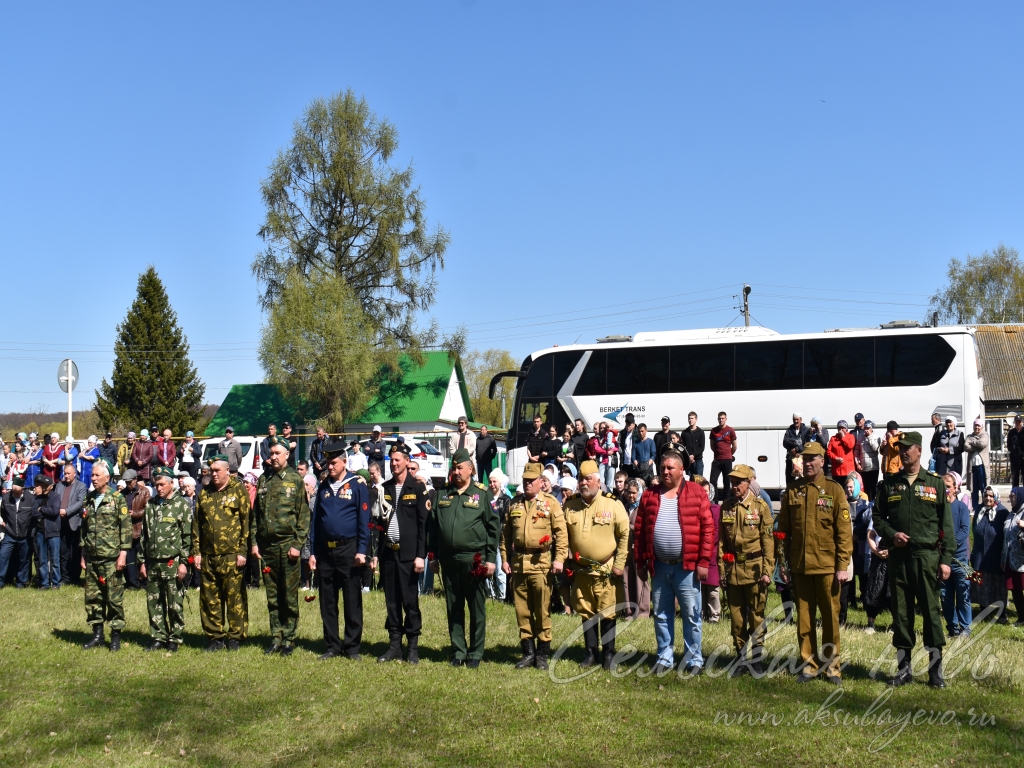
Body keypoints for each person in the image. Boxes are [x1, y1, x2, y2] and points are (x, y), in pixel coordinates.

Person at [872, 431, 954, 687]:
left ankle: (935, 670)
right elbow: (877, 518)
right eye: (900, 448)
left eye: (908, 448)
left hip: (926, 557)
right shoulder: (889, 485)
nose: (903, 452)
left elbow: (946, 526)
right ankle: (904, 668)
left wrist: (946, 560)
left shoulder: (935, 483)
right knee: (901, 614)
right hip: (899, 559)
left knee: (930, 612)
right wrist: (891, 534)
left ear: (919, 451)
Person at [776, 442, 852, 684]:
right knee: (804, 620)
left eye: (812, 459)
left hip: (827, 566)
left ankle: (832, 667)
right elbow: (783, 531)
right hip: (800, 566)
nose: (807, 463)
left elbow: (844, 532)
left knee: (830, 619)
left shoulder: (834, 490)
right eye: (804, 459)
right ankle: (809, 665)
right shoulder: (792, 490)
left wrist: (842, 566)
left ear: (822, 461)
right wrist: (784, 563)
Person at [635, 451, 713, 675]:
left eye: (670, 468)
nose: (665, 471)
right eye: (663, 467)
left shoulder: (697, 493)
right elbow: (639, 532)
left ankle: (694, 660)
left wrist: (704, 561)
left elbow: (708, 529)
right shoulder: (649, 495)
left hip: (687, 568)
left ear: (681, 470)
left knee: (691, 614)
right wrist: (640, 561)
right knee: (661, 614)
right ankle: (664, 657)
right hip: (659, 566)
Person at [428, 448, 497, 667]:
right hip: (449, 559)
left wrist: (491, 559)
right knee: (453, 606)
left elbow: (493, 528)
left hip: (474, 559)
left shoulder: (482, 493)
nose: (456, 472)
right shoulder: (443, 493)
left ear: (471, 469)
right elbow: (433, 527)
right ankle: (458, 650)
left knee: (476, 607)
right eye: (454, 468)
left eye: (460, 468)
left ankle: (476, 653)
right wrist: (433, 556)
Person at [562, 459, 630, 670]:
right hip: (581, 571)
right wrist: (564, 558)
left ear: (598, 481)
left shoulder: (612, 503)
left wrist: (619, 564)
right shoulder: (570, 504)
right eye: (581, 479)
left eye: (588, 479)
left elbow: (625, 534)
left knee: (607, 612)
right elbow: (562, 535)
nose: (584, 483)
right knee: (586, 611)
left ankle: (609, 655)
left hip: (606, 569)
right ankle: (590, 653)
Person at [501, 462, 568, 670]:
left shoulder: (550, 504)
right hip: (519, 564)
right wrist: (504, 558)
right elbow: (505, 535)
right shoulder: (514, 504)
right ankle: (528, 653)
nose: (527, 484)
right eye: (525, 480)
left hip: (541, 564)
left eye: (531, 480)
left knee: (542, 609)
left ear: (541, 482)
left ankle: (542, 654)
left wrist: (559, 559)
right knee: (522, 610)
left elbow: (561, 533)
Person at [309, 439, 369, 660]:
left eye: (333, 463)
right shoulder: (323, 486)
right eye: (328, 463)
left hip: (349, 550)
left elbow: (364, 520)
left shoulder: (357, 484)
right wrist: (313, 552)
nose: (330, 467)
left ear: (344, 462)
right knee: (328, 601)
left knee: (352, 599)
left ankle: (352, 647)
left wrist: (362, 550)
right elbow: (315, 522)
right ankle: (332, 646)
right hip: (326, 552)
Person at [251, 438, 311, 656]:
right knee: (273, 595)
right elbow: (255, 515)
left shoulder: (295, 480)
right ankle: (276, 636)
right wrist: (254, 542)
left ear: (287, 454)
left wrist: (297, 545)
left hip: (288, 546)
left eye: (278, 453)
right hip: (267, 548)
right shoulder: (263, 480)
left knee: (289, 595)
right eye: (272, 453)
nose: (273, 456)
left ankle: (289, 639)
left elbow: (304, 516)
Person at [718, 464, 774, 676]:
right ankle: (740, 659)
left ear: (749, 482)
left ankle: (757, 659)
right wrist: (722, 571)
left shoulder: (760, 507)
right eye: (732, 483)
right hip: (733, 571)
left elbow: (768, 542)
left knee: (756, 617)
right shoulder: (726, 507)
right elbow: (722, 543)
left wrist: (767, 571)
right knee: (737, 619)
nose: (734, 487)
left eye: (738, 483)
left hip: (755, 570)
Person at [376, 445, 430, 664]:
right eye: (391, 459)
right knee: (392, 601)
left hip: (409, 555)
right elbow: (379, 522)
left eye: (398, 459)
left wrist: (420, 555)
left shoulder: (417, 487)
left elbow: (423, 525)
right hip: (389, 553)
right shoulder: (385, 488)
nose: (394, 463)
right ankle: (395, 646)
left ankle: (413, 648)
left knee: (410, 601)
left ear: (407, 461)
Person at [191, 455, 251, 652]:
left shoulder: (238, 490)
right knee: (210, 597)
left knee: (234, 597)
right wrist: (196, 552)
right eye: (211, 470)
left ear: (227, 471)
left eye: (217, 470)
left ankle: (235, 636)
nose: (213, 474)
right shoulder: (204, 493)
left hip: (232, 554)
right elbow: (197, 524)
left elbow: (246, 522)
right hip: (209, 555)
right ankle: (215, 636)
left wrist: (243, 551)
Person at [80, 461, 132, 651]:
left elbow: (125, 529)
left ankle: (116, 637)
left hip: (111, 557)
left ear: (107, 478)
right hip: (93, 557)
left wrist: (123, 555)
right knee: (93, 598)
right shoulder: (89, 499)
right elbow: (84, 529)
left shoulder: (117, 499)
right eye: (92, 475)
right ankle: (98, 635)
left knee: (114, 599)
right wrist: (83, 554)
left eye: (96, 475)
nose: (93, 478)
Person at [139, 466, 192, 652]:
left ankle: (175, 638)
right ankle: (158, 637)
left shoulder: (181, 505)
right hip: (153, 562)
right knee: (154, 601)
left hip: (172, 562)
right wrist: (142, 561)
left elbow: (187, 537)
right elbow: (144, 535)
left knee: (174, 602)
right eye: (156, 485)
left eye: (162, 484)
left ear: (171, 483)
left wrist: (184, 562)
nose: (159, 488)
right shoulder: (151, 505)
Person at [970, 486, 1009, 623]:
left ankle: (1002, 614)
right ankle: (983, 611)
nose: (988, 498)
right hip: (980, 556)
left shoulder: (1002, 513)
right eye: (986, 495)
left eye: (991, 496)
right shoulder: (979, 511)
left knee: (998, 586)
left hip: (996, 557)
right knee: (982, 585)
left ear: (996, 497)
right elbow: (975, 530)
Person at [941, 473, 972, 637]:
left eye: (948, 486)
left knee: (963, 595)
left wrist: (949, 545)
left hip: (960, 559)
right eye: (943, 486)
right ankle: (952, 628)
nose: (945, 490)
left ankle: (965, 628)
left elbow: (964, 531)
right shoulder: (939, 508)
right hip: (943, 560)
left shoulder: (961, 508)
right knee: (945, 596)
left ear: (955, 488)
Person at [621, 477, 650, 619]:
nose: (631, 496)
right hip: (625, 549)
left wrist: (629, 527)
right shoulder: (624, 507)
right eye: (629, 492)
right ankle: (629, 611)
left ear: (639, 492)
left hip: (638, 549)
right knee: (627, 579)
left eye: (634, 492)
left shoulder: (643, 508)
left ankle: (643, 612)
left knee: (640, 580)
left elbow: (645, 527)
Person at [695, 475, 721, 625]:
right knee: (700, 589)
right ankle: (702, 614)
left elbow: (716, 531)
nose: (704, 493)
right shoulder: (696, 509)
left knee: (712, 590)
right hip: (698, 553)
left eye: (706, 491)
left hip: (712, 554)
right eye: (701, 491)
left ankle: (714, 616)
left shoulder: (716, 509)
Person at [0, 476, 35, 588]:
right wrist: (6, 524)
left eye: (18, 492)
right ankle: (1, 581)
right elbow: (4, 514)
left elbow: (33, 516)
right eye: (14, 492)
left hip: (25, 534)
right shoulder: (6, 498)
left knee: (24, 559)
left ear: (23, 489)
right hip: (10, 534)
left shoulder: (30, 499)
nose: (16, 494)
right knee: (2, 556)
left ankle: (21, 582)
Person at [57, 463, 87, 586]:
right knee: (63, 552)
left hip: (74, 523)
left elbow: (81, 502)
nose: (66, 475)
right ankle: (64, 577)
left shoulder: (81, 486)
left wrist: (67, 511)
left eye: (69, 473)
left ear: (75, 474)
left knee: (75, 552)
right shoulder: (59, 485)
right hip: (61, 523)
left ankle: (75, 577)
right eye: (65, 473)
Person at [32, 475, 62, 588]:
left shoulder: (56, 496)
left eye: (45, 486)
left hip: (53, 531)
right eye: (42, 485)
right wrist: (44, 511)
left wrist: (42, 509)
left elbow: (55, 511)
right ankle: (44, 583)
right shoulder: (38, 498)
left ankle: (55, 583)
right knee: (42, 559)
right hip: (40, 532)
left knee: (55, 559)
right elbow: (34, 512)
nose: (43, 488)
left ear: (51, 486)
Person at [487, 468, 511, 602]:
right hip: (487, 539)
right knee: (487, 567)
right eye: (490, 482)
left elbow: (505, 521)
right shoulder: (486, 497)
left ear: (500, 483)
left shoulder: (506, 500)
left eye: (494, 481)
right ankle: (490, 594)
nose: (492, 484)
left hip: (500, 538)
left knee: (500, 569)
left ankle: (501, 596)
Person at [1002, 488, 1024, 625]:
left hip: (1023, 560)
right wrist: (1002, 558)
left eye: (1013, 495)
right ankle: (1022, 618)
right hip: (1011, 559)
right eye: (1010, 496)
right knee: (1015, 589)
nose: (1011, 498)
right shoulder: (1010, 514)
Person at [708, 412, 737, 502]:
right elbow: (712, 446)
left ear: (726, 419)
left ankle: (726, 501)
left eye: (722, 418)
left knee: (727, 481)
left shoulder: (730, 430)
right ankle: (714, 501)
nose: (721, 420)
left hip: (727, 460)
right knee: (712, 481)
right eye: (719, 418)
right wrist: (718, 453)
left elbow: (735, 446)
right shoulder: (713, 431)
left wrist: (729, 453)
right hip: (717, 460)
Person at [963, 419, 988, 511]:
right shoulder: (969, 436)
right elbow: (966, 446)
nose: (977, 427)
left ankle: (985, 505)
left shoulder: (985, 435)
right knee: (974, 488)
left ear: (982, 427)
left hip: (982, 466)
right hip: (972, 466)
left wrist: (972, 442)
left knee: (983, 486)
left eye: (979, 426)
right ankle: (975, 507)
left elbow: (982, 444)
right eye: (975, 425)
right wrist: (976, 443)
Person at [860, 421, 882, 500]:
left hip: (873, 467)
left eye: (868, 428)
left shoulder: (876, 437)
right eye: (865, 428)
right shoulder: (861, 438)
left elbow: (875, 448)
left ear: (871, 429)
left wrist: (869, 437)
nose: (866, 430)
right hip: (864, 468)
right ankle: (866, 505)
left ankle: (873, 504)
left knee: (873, 488)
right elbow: (858, 451)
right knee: (866, 488)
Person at [681, 412, 706, 479]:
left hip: (698, 461)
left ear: (696, 419)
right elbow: (682, 447)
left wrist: (693, 455)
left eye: (692, 418)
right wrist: (688, 456)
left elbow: (701, 447)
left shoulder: (700, 432)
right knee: (689, 481)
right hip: (688, 462)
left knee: (699, 481)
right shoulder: (684, 433)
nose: (690, 420)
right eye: (689, 418)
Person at [618, 414, 638, 479]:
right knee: (625, 481)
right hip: (624, 463)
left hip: (634, 464)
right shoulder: (622, 433)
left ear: (633, 425)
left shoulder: (637, 433)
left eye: (629, 425)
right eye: (626, 424)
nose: (628, 426)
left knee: (634, 481)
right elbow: (619, 445)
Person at [1009, 416, 1024, 487]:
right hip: (1014, 458)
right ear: (1014, 422)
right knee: (1015, 478)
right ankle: (1015, 495)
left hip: (1023, 458)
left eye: (1019, 422)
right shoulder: (1011, 432)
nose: (1018, 423)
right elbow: (1009, 446)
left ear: (1022, 422)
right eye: (1016, 422)